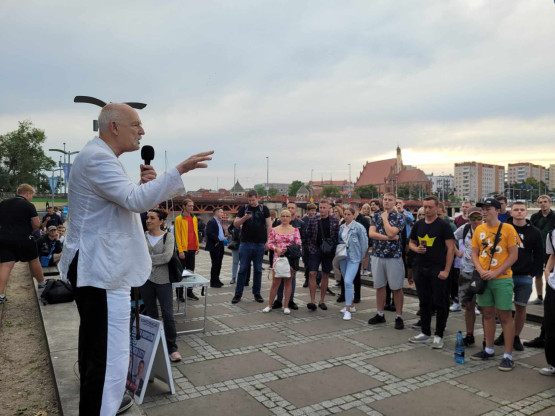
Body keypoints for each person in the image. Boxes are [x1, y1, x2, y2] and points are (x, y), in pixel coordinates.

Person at [58, 102, 212, 416]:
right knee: (108, 358)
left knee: (100, 351)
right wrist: (178, 171)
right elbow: (133, 201)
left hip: (100, 269)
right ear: (114, 127)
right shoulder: (98, 158)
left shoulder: (99, 157)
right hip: (102, 271)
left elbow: (123, 202)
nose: (142, 131)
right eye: (135, 125)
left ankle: (100, 406)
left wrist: (144, 186)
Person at [470, 197, 519, 371]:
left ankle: (508, 355)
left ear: (497, 211)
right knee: (487, 314)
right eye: (482, 209)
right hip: (484, 278)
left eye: (488, 209)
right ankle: (489, 348)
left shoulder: (508, 228)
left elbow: (513, 255)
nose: (484, 212)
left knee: (505, 316)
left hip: (502, 279)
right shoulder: (479, 229)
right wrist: (480, 270)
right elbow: (474, 253)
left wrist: (495, 272)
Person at [408, 195, 455, 349]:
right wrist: (416, 249)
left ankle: (439, 335)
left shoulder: (443, 225)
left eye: (430, 207)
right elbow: (411, 242)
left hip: (438, 268)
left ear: (437, 208)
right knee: (424, 301)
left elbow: (451, 248)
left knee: (440, 302)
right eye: (425, 207)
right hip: (421, 267)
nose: (427, 210)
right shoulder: (419, 224)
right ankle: (425, 331)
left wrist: (446, 270)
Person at [494, 202, 543, 351]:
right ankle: (505, 333)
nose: (519, 212)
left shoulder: (534, 232)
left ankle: (515, 336)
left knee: (521, 308)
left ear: (526, 212)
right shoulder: (503, 228)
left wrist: (532, 273)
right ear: (511, 212)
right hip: (505, 275)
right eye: (516, 209)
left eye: (522, 210)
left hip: (524, 276)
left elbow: (539, 254)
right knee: (503, 307)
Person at [139, 209, 181, 362]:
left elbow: (167, 257)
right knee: (151, 314)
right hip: (146, 280)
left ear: (161, 221)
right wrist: (149, 259)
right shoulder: (142, 236)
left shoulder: (168, 237)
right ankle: (154, 345)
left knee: (168, 314)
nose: (148, 220)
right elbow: (138, 255)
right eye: (147, 218)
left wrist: (147, 259)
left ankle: (172, 348)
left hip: (163, 281)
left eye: (152, 218)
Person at [0, 184, 46, 303]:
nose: (31, 198)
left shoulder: (3, 203)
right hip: (24, 238)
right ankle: (42, 283)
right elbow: (36, 224)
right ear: (28, 193)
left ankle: (0, 295)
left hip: (5, 238)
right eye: (32, 196)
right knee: (34, 260)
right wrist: (30, 230)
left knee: (6, 265)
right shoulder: (28, 205)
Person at [368, 193, 406, 329]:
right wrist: (388, 238)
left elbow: (392, 232)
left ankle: (399, 316)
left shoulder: (400, 217)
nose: (387, 202)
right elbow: (371, 234)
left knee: (396, 287)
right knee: (379, 286)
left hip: (393, 256)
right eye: (385, 199)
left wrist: (385, 219)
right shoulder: (376, 216)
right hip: (378, 255)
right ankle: (380, 313)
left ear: (394, 202)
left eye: (390, 200)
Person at [231, 190, 271, 304]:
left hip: (259, 243)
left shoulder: (264, 209)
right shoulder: (243, 208)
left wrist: (268, 241)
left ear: (257, 197)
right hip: (245, 243)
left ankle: (257, 293)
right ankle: (238, 294)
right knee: (243, 268)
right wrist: (244, 218)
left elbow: (269, 226)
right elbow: (236, 224)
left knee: (258, 269)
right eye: (249, 200)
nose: (251, 202)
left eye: (253, 200)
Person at [453, 206, 483, 346]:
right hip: (466, 270)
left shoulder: (488, 229)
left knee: (486, 307)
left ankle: (486, 339)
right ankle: (469, 334)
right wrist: (458, 253)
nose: (476, 220)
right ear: (468, 218)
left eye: (479, 217)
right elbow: (450, 238)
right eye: (473, 218)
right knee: (468, 305)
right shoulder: (464, 228)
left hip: (483, 272)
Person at [263, 210, 302, 315]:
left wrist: (287, 249)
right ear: (280, 217)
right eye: (283, 216)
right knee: (275, 282)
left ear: (290, 218)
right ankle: (269, 305)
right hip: (278, 258)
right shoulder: (274, 229)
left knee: (288, 282)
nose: (285, 218)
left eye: (287, 216)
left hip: (290, 258)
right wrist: (276, 248)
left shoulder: (295, 230)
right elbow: (270, 243)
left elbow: (298, 243)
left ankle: (286, 306)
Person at [305, 200, 340, 311]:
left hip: (328, 251)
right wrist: (311, 247)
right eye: (320, 207)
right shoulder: (313, 220)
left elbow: (337, 236)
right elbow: (308, 234)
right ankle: (312, 301)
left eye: (324, 207)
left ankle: (322, 301)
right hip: (315, 249)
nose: (322, 210)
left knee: (325, 274)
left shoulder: (334, 221)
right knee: (312, 273)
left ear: (329, 208)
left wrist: (332, 247)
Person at [338, 207, 368, 321]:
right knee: (347, 282)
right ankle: (351, 305)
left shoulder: (358, 227)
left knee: (348, 281)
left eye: (349, 214)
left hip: (354, 258)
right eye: (345, 214)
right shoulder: (342, 227)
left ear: (353, 215)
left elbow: (364, 243)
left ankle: (347, 309)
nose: (346, 216)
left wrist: (362, 257)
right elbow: (339, 241)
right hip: (343, 257)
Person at [273, 202, 304, 310]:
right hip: (280, 254)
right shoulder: (278, 222)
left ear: (296, 210)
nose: (290, 209)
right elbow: (273, 238)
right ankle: (278, 300)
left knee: (291, 278)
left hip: (292, 255)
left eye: (292, 208)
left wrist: (293, 249)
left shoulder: (300, 223)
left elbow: (303, 239)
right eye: (288, 207)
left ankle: (290, 300)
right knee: (279, 276)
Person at [530, 195, 555, 305]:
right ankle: (539, 297)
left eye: (545, 201)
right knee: (538, 274)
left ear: (550, 203)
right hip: (537, 249)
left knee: (551, 273)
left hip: (551, 250)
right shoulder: (535, 217)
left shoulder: (554, 216)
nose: (543, 204)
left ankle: (550, 296)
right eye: (540, 202)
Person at [174, 198, 200, 300]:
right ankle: (179, 295)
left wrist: (197, 246)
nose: (192, 207)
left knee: (190, 272)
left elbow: (195, 232)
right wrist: (180, 250)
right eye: (189, 206)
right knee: (181, 272)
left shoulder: (194, 218)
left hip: (192, 248)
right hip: (183, 250)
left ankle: (189, 292)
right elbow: (177, 235)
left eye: (192, 206)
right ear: (184, 206)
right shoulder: (178, 219)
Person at [540, 228, 555, 376]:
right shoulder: (552, 234)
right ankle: (553, 364)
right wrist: (547, 271)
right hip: (553, 286)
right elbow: (553, 254)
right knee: (551, 325)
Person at [205, 208, 227, 288]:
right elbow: (209, 232)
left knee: (219, 263)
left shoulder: (218, 222)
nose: (222, 214)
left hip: (220, 244)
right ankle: (213, 281)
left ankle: (217, 279)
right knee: (215, 263)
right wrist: (216, 240)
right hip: (215, 244)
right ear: (216, 213)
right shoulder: (211, 222)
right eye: (221, 212)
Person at [301, 203, 317, 288]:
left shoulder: (317, 219)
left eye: (314, 210)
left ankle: (315, 280)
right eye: (311, 210)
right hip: (306, 245)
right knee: (306, 263)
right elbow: (303, 233)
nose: (313, 212)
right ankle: (307, 279)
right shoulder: (303, 220)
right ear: (308, 211)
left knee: (314, 263)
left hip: (314, 245)